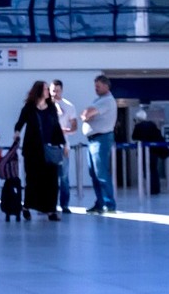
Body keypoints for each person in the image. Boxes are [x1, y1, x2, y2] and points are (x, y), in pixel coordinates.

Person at [13, 81, 66, 221]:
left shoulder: (51, 108)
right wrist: (17, 132)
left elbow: (56, 127)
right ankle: (27, 206)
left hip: (49, 149)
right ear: (39, 91)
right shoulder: (29, 107)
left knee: (51, 180)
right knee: (33, 180)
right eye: (45, 89)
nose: (48, 91)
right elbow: (20, 122)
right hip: (32, 150)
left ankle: (51, 210)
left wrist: (63, 144)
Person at [81, 75, 118, 214]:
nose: (95, 89)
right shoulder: (99, 100)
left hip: (101, 139)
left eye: (98, 86)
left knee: (101, 172)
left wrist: (87, 115)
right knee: (94, 173)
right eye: (95, 86)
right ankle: (100, 203)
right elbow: (85, 113)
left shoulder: (107, 101)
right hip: (93, 140)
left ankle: (109, 204)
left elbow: (88, 113)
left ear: (106, 86)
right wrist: (86, 114)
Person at [50, 79, 77, 214]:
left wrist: (65, 132)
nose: (55, 93)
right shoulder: (45, 106)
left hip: (63, 145)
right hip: (49, 146)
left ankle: (64, 204)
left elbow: (74, 126)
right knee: (49, 177)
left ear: (62, 90)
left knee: (64, 177)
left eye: (58, 90)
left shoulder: (69, 106)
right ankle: (49, 205)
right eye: (53, 90)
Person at [131, 108, 169, 195]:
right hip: (154, 151)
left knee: (146, 170)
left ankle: (149, 188)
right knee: (154, 170)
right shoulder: (152, 125)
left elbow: (134, 137)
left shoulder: (138, 126)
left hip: (143, 152)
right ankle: (155, 189)